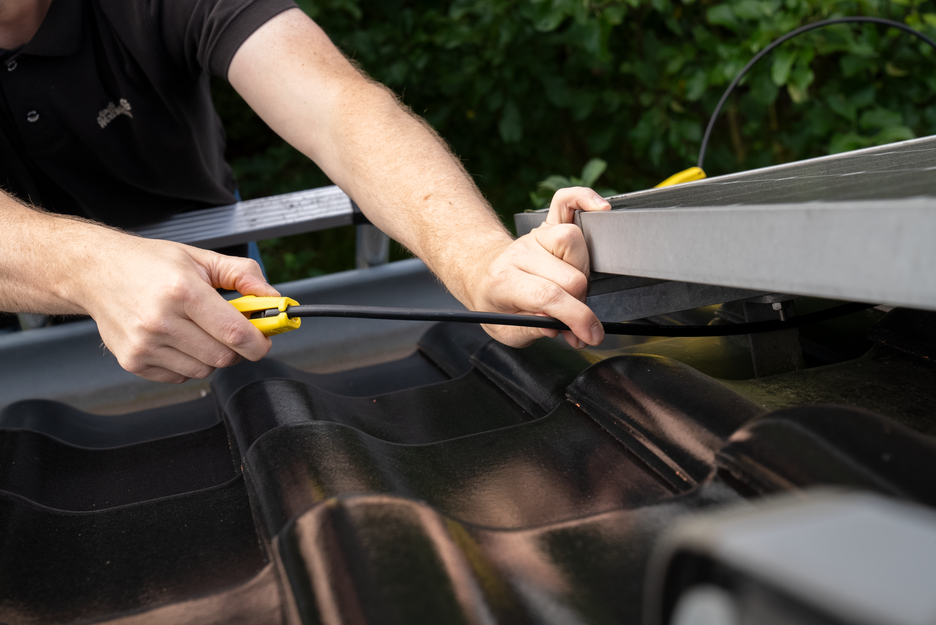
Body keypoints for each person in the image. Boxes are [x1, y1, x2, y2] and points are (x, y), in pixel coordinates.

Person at [0, 0, 611, 384]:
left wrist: (478, 259)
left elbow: (337, 108)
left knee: (247, 396)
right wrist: (90, 266)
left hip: (215, 272)